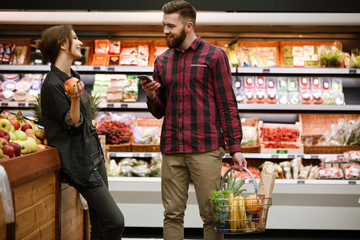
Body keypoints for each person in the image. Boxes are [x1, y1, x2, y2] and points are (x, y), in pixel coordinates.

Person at [140, 1, 247, 239]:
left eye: (170, 26)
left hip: (205, 148)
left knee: (212, 215)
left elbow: (227, 104)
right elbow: (160, 111)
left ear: (188, 26)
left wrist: (235, 147)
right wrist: (151, 95)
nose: (165, 31)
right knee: (172, 215)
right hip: (172, 148)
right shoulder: (162, 61)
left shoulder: (214, 56)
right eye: (163, 25)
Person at [38, 25, 124, 240]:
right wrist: (75, 99)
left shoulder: (73, 74)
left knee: (100, 224)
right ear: (63, 44)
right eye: (75, 38)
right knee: (115, 221)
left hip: (93, 155)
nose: (80, 42)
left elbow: (85, 118)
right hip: (80, 163)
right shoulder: (52, 84)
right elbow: (72, 124)